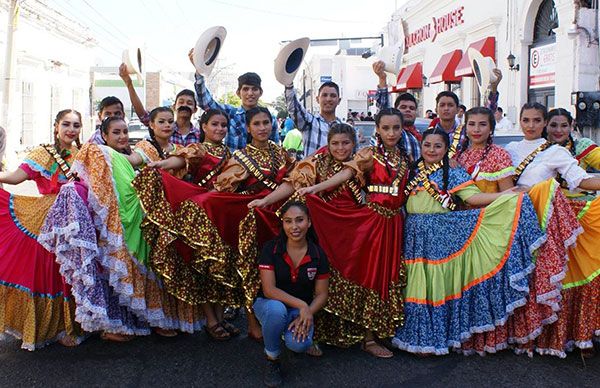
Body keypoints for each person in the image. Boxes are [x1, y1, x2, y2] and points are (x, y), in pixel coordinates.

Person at [392, 128, 543, 355]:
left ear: (446, 150)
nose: (431, 150)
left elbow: (472, 198)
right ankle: (416, 336)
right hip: (413, 234)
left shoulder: (452, 172)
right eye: (427, 145)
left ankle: (434, 339)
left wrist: (504, 196)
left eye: (438, 146)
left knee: (434, 285)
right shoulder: (412, 170)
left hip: (441, 234)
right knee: (416, 283)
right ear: (421, 147)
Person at [294, 109, 412, 357]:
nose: (391, 133)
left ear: (402, 129)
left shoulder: (405, 156)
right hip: (369, 222)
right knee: (363, 275)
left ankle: (372, 336)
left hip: (393, 226)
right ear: (376, 129)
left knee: (382, 278)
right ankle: (332, 335)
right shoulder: (369, 155)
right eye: (385, 128)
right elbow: (346, 174)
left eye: (396, 128)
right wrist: (314, 189)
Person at [173, 106, 295, 340]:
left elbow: (292, 180)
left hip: (276, 220)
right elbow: (222, 190)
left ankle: (270, 319)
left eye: (266, 123)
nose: (262, 128)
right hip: (242, 219)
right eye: (256, 124)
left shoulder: (281, 154)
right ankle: (245, 323)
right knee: (244, 270)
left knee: (269, 271)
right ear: (248, 128)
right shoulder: (239, 157)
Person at [133, 109, 242, 340]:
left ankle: (220, 317)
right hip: (200, 213)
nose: (220, 129)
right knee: (201, 266)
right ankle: (211, 321)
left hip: (220, 214)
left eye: (223, 125)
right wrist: (162, 165)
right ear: (203, 127)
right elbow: (181, 159)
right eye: (214, 124)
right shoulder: (198, 149)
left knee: (221, 266)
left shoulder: (231, 153)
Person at [506, 103, 600, 358]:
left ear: (544, 123)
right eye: (526, 119)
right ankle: (517, 334)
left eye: (537, 120)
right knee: (518, 277)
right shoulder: (510, 149)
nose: (530, 125)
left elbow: (579, 180)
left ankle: (539, 335)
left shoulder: (556, 152)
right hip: (512, 218)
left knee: (538, 279)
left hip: (542, 221)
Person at [0, 109, 85, 349]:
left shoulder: (81, 153)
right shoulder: (43, 152)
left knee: (69, 271)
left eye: (76, 125)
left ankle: (70, 325)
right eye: (66, 124)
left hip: (75, 219)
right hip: (45, 219)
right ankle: (52, 328)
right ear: (56, 126)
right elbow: (17, 177)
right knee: (50, 272)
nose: (71, 129)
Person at [254, 201, 329, 387]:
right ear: (283, 224)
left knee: (299, 344)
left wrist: (308, 310)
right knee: (276, 310)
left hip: (299, 311)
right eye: (288, 221)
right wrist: (303, 305)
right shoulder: (270, 249)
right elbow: (269, 290)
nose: (294, 227)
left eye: (299, 220)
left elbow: (322, 294)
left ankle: (286, 337)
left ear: (309, 222)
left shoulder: (318, 254)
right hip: (269, 304)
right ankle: (272, 358)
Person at [190, 49, 279, 151]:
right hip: (232, 165)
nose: (250, 93)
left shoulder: (270, 119)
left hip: (263, 166)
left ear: (261, 92)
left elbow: (275, 149)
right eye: (245, 89)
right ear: (238, 93)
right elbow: (204, 102)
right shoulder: (229, 113)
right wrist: (199, 71)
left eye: (254, 89)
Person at [119, 63, 201, 146]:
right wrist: (129, 84)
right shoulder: (163, 128)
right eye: (181, 102)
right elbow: (142, 114)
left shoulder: (200, 135)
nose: (185, 105)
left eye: (189, 103)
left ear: (195, 109)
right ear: (174, 106)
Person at [455, 107, 515, 193]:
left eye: (482, 124)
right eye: (471, 124)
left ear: (491, 129)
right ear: (466, 128)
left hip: (494, 206)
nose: (476, 130)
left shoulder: (499, 155)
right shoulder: (459, 156)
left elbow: (509, 196)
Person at [285, 80, 342, 157]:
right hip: (312, 169)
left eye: (333, 96)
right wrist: (289, 84)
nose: (328, 99)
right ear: (317, 99)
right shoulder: (309, 122)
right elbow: (294, 108)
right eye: (324, 95)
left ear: (339, 101)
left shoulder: (346, 129)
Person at [546, 108, 600, 173]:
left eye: (564, 126)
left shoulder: (581, 147)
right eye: (553, 125)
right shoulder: (537, 147)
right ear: (546, 125)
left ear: (571, 126)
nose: (558, 130)